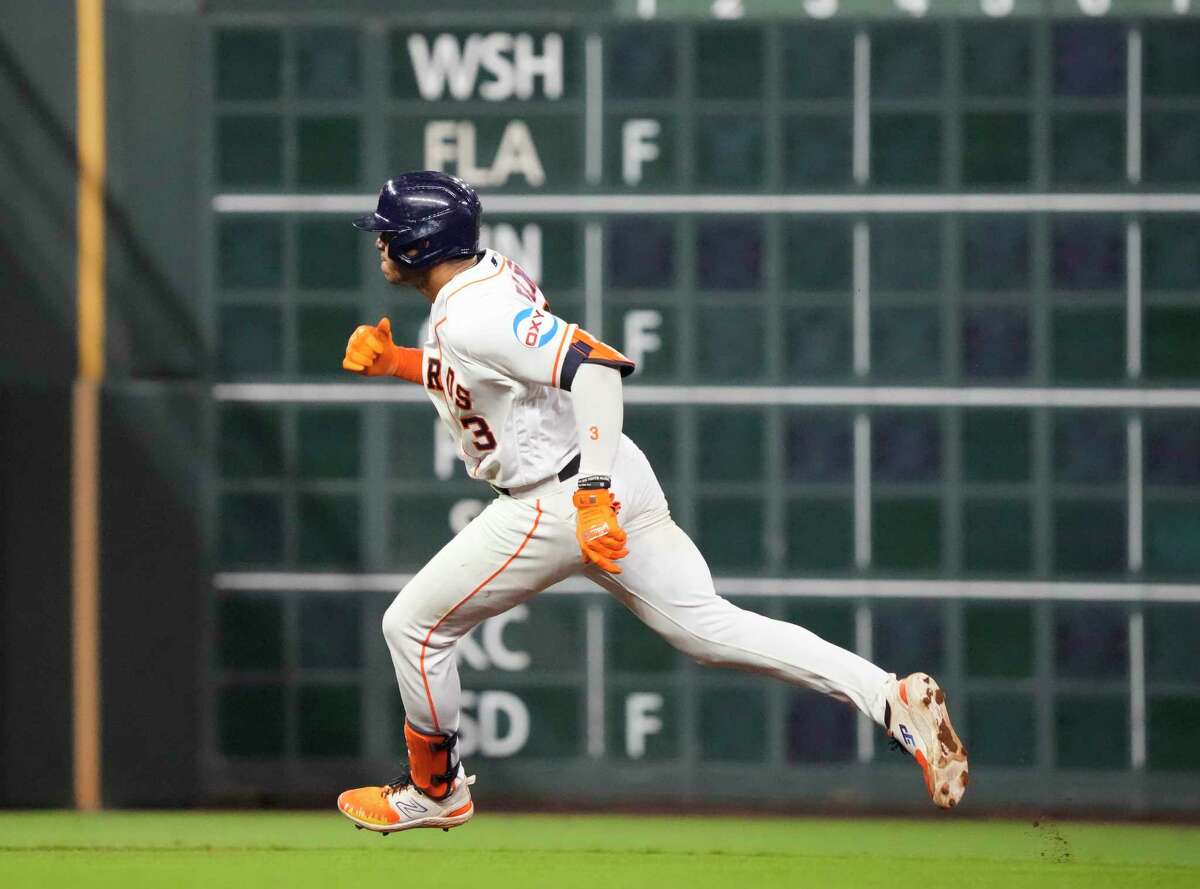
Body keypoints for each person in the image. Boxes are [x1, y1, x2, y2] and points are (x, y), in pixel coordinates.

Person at [335, 171, 968, 834]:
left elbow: (597, 367)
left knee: (414, 627)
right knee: (709, 628)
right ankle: (889, 697)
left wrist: (592, 496)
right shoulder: (481, 282)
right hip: (608, 471)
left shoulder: (474, 315)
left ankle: (435, 791)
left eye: (388, 233)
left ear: (422, 244)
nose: (379, 243)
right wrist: (399, 362)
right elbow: (494, 376)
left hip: (556, 497)